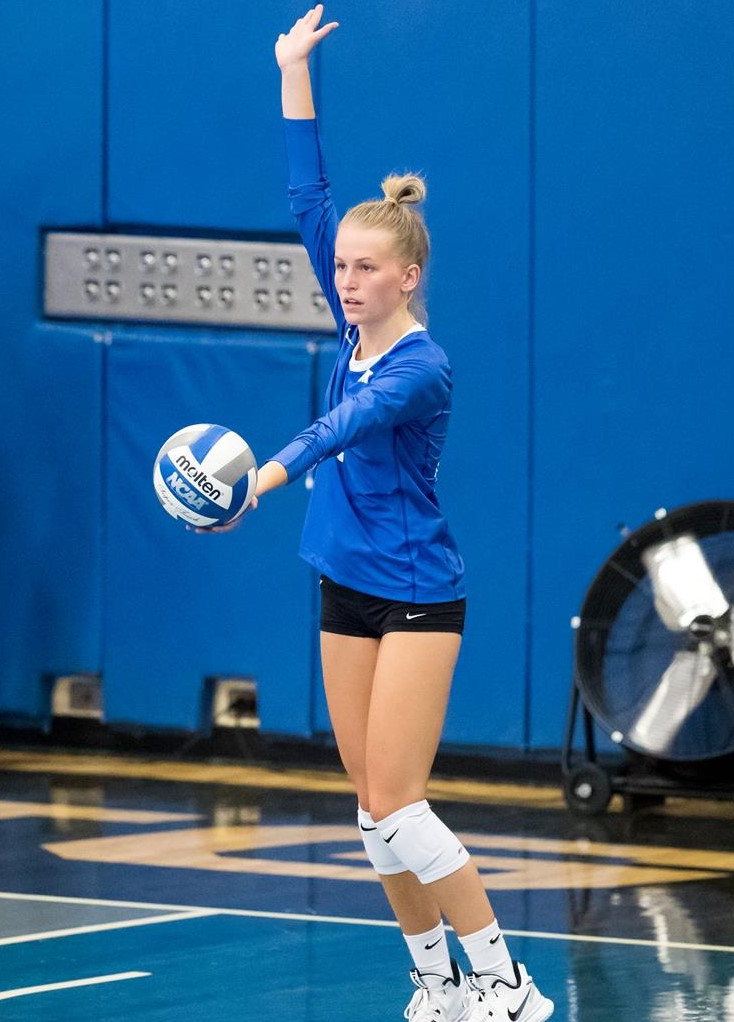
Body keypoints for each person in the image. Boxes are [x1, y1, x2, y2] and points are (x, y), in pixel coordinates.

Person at [213, 8, 556, 1021]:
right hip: (343, 581)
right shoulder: (352, 318)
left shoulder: (418, 366)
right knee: (371, 815)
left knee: (402, 803)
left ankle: (506, 978)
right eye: (341, 268)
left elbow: (343, 427)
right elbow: (304, 192)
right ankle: (435, 978)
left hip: (414, 593)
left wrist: (255, 480)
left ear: (407, 275)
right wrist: (290, 72)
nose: (346, 280)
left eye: (365, 269)